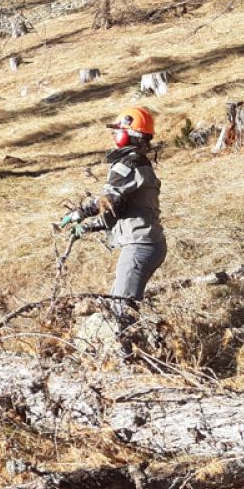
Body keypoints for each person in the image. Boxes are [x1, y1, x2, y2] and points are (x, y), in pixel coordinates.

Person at [59, 107, 166, 347]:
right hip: (146, 244)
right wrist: (90, 227)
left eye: (118, 131)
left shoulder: (127, 165)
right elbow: (123, 211)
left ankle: (130, 359)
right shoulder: (138, 164)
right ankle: (143, 347)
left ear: (127, 134)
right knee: (121, 303)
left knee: (122, 309)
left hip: (140, 246)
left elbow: (110, 202)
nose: (114, 136)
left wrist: (81, 212)